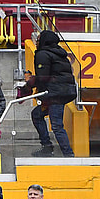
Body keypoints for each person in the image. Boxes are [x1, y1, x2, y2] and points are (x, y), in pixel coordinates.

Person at [29, 30, 76, 158]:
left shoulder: (42, 54)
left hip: (55, 95)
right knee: (37, 114)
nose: (36, 42)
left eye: (38, 40)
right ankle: (47, 147)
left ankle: (68, 154)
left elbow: (42, 77)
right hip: (61, 92)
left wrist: (30, 84)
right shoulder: (60, 53)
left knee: (56, 125)